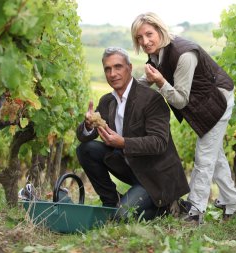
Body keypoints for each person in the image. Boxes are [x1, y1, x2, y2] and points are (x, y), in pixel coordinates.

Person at [131, 12, 236, 223]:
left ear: (160, 30)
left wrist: (160, 82)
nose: (145, 41)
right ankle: (234, 199)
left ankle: (195, 211)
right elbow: (145, 80)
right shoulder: (159, 54)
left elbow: (181, 100)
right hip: (201, 103)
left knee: (204, 156)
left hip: (217, 100)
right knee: (214, 154)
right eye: (139, 38)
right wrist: (123, 93)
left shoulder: (184, 54)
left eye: (149, 34)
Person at [76, 46, 189, 222]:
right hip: (132, 168)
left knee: (123, 217)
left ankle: (169, 205)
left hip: (156, 175)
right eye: (108, 69)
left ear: (129, 67)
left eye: (118, 67)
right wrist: (88, 124)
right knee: (86, 149)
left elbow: (159, 142)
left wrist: (123, 142)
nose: (112, 73)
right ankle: (111, 202)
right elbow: (85, 136)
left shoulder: (151, 99)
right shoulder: (107, 101)